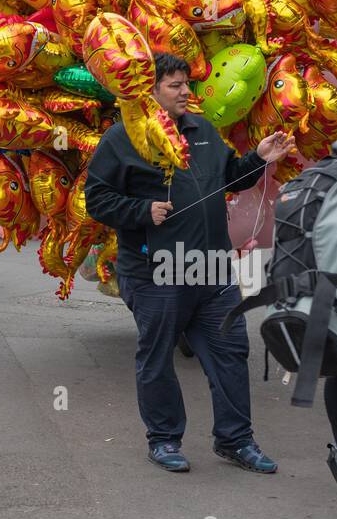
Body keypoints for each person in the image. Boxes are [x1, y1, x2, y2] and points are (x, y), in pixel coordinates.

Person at [84, 52, 295, 474]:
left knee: (231, 354)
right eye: (175, 85)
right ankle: (164, 440)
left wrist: (258, 157)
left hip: (212, 270)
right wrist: (143, 211)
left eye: (187, 84)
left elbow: (230, 176)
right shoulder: (123, 138)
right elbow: (98, 199)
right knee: (157, 356)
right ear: (152, 91)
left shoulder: (203, 130)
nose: (185, 92)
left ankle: (236, 441)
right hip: (155, 273)